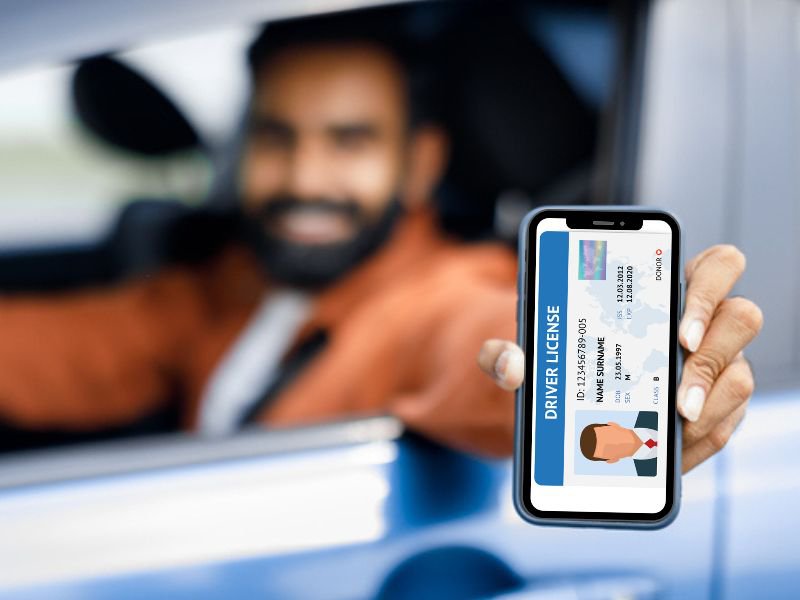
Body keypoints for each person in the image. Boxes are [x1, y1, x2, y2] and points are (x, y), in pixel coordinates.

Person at [0, 12, 762, 467]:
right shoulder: (230, 282)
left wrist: (623, 381)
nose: (305, 176)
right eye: (276, 136)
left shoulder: (441, 292)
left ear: (419, 163)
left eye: (349, 140)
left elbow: (485, 345)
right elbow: (65, 351)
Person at [578, 412, 658, 476]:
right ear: (612, 461)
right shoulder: (648, 473)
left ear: (613, 424)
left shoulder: (651, 414)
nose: (616, 443)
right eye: (608, 449)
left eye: (609, 436)